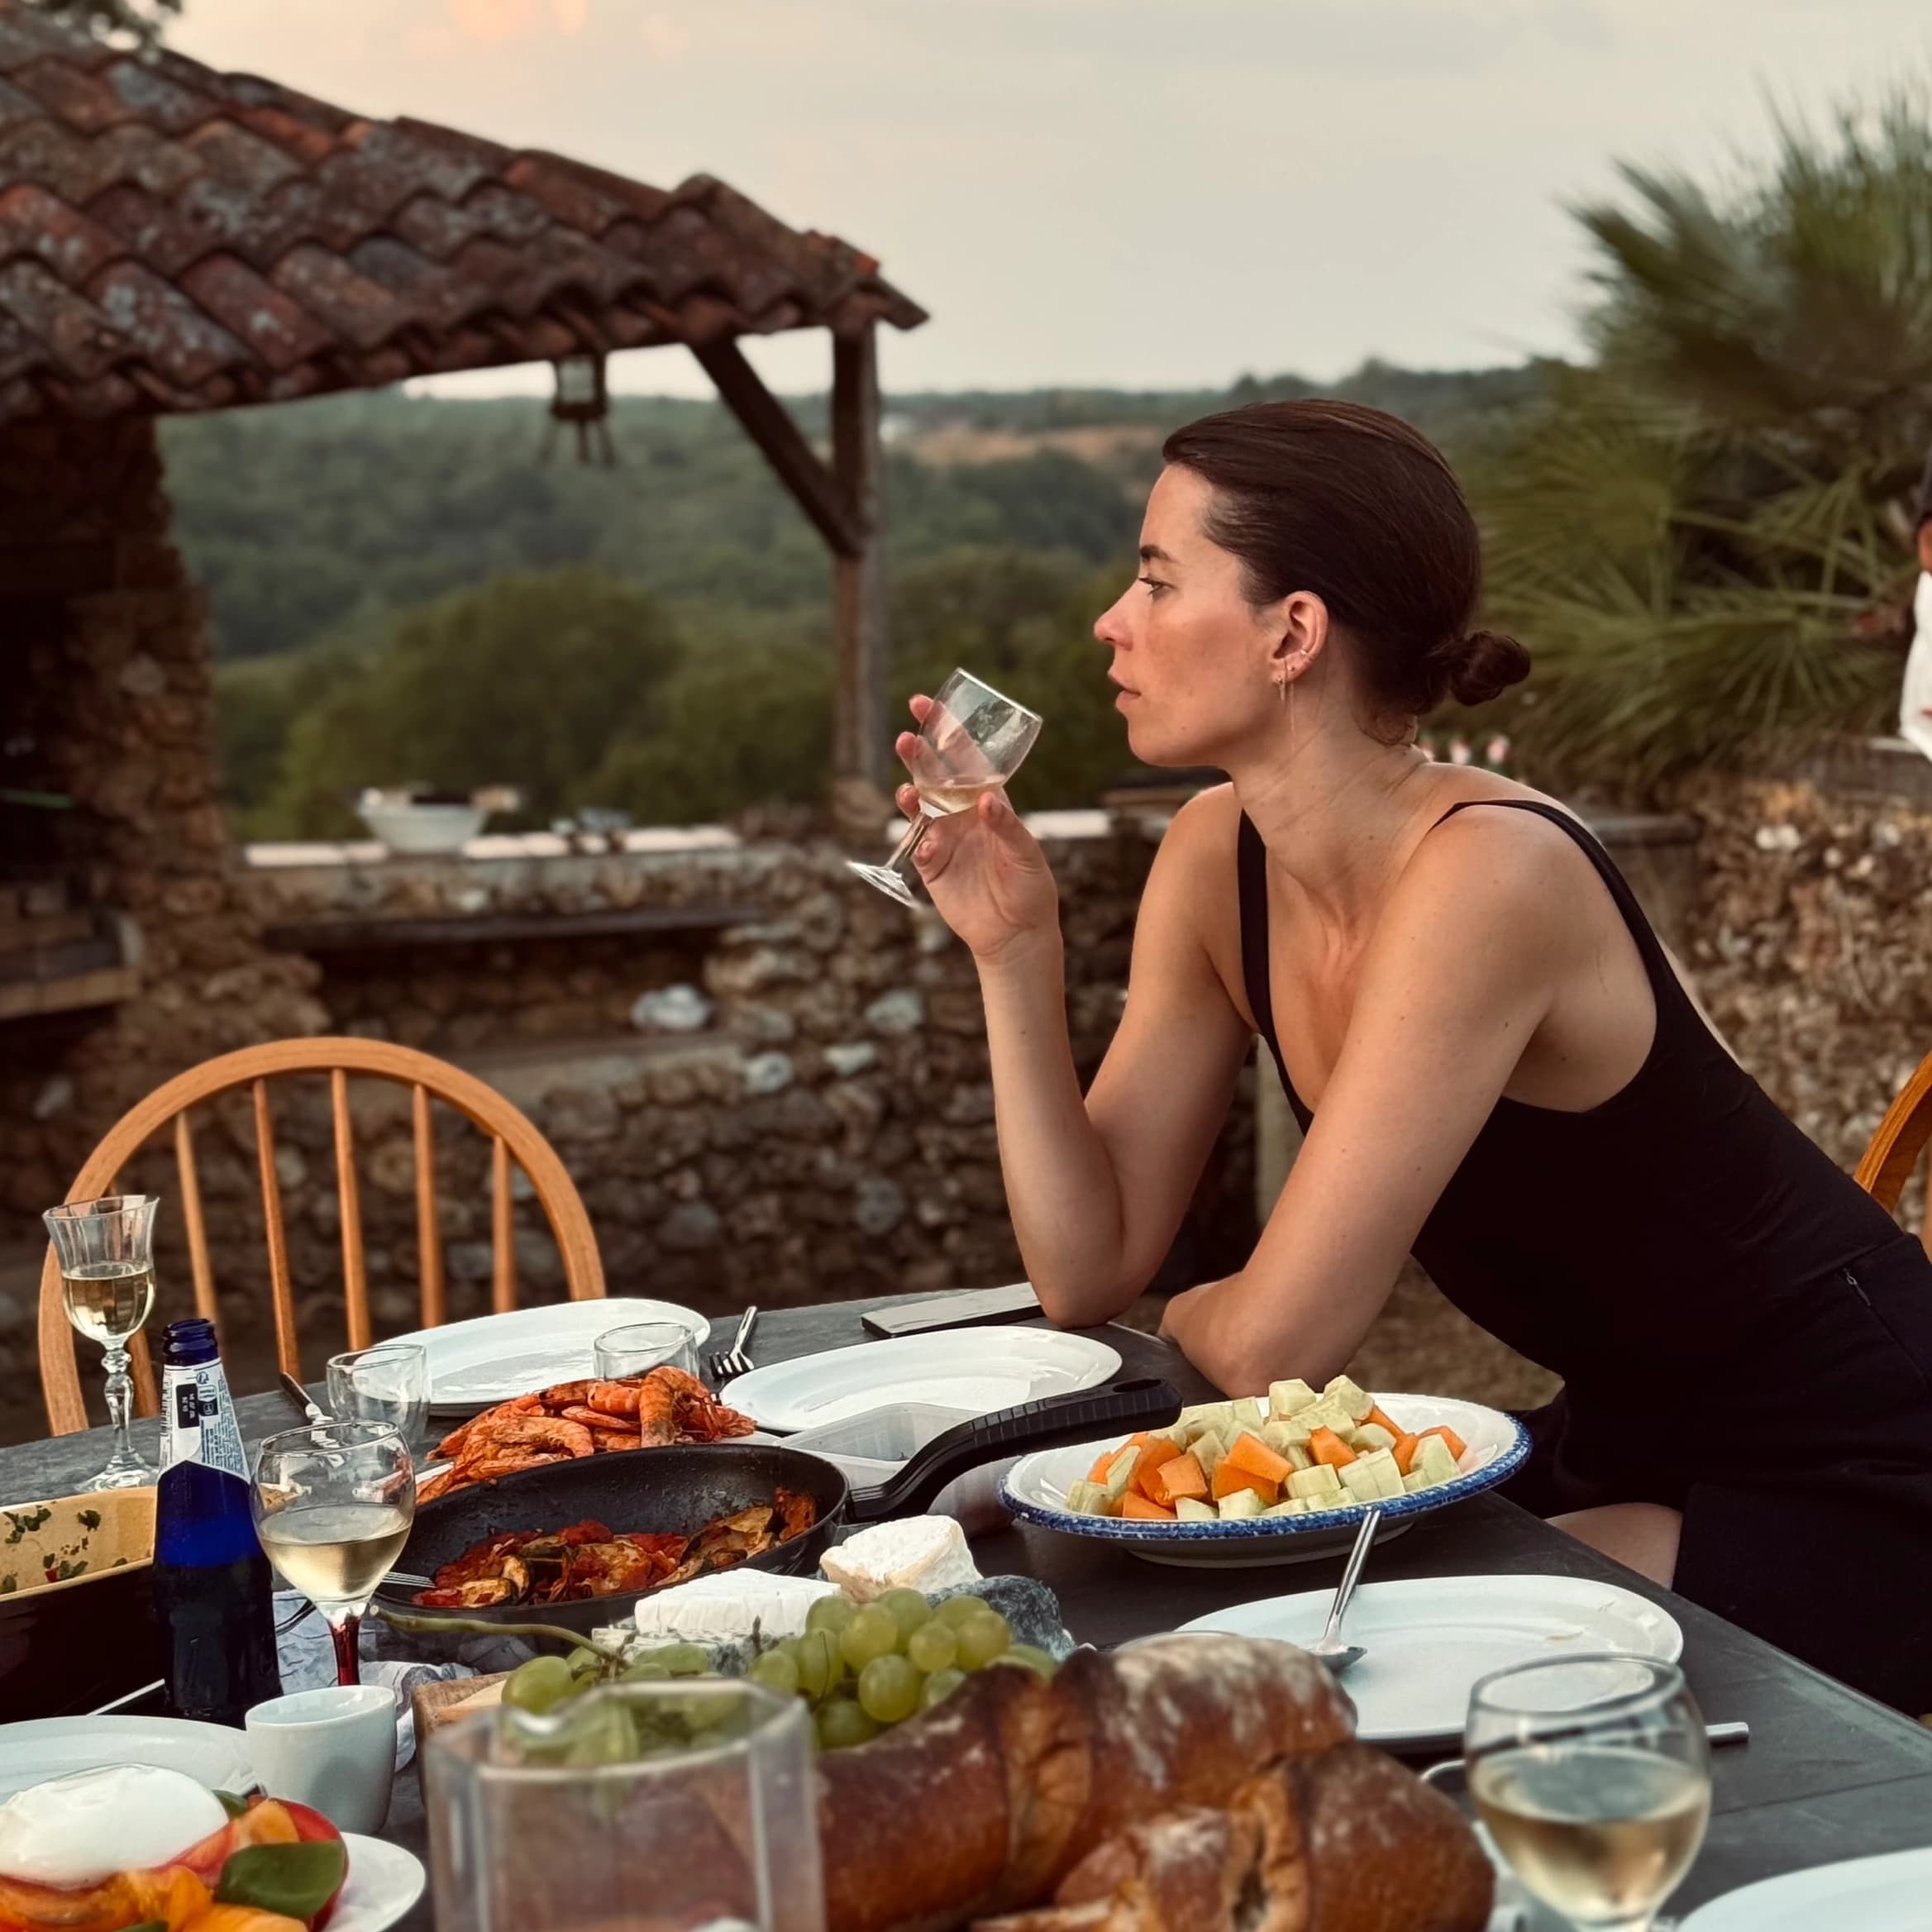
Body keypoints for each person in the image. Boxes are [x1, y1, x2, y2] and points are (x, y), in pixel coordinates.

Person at [899, 398, 1932, 1713]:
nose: (1113, 618)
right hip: (1638, 1442)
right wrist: (1012, 953)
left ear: (1293, 632)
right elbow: (1082, 1264)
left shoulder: (1487, 874)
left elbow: (1274, 1338)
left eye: (1156, 580)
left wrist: (1199, 1315)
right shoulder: (1217, 860)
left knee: (1331, 1678)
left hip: (1861, 1470)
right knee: (1190, 1626)